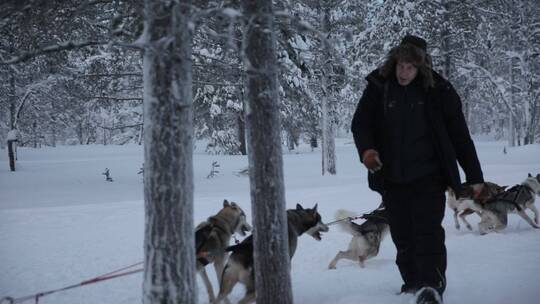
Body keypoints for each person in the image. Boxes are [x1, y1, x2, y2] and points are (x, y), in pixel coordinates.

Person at [351, 35, 484, 302]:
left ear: (421, 66)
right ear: (394, 62)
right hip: (392, 178)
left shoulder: (439, 91)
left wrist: (474, 176)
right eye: (400, 65)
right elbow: (361, 123)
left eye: (411, 66)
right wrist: (367, 150)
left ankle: (431, 286)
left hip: (429, 177)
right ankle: (412, 282)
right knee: (402, 234)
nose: (404, 71)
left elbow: (460, 135)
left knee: (428, 232)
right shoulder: (379, 87)